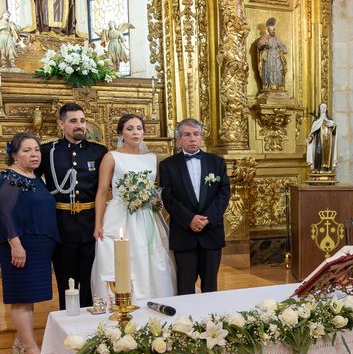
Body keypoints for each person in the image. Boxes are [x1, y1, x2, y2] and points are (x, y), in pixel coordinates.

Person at [91, 114, 176, 302]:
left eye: (139, 128)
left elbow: (157, 190)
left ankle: (157, 298)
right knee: (121, 256)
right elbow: (103, 191)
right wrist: (98, 223)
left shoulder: (153, 158)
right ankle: (120, 301)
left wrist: (151, 201)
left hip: (147, 216)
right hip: (119, 214)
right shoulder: (111, 157)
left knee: (155, 257)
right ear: (121, 133)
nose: (135, 132)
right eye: (129, 128)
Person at [37, 103, 108, 309]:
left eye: (82, 121)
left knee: (89, 279)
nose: (80, 125)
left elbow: (107, 186)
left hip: (91, 223)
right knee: (66, 279)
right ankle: (68, 323)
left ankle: (89, 325)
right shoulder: (47, 151)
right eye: (73, 121)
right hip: (61, 224)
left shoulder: (99, 151)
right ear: (62, 124)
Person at [0, 133, 59, 354]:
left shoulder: (35, 178)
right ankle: (30, 348)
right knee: (22, 299)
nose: (34, 154)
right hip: (20, 245)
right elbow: (4, 215)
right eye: (26, 150)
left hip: (38, 246)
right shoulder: (9, 177)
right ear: (14, 155)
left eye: (36, 150)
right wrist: (15, 245)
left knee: (29, 297)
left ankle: (20, 341)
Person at [159, 118, 230, 295]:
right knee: (185, 285)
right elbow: (168, 197)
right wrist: (189, 219)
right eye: (187, 134)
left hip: (211, 232)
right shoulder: (168, 165)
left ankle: (211, 320)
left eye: (196, 134)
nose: (192, 138)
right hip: (184, 234)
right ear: (179, 139)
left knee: (211, 285)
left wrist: (207, 219)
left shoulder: (217, 162)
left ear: (201, 137)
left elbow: (224, 193)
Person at [306, 103, 337, 172]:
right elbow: (314, 131)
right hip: (319, 140)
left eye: (325, 107)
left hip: (328, 141)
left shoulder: (330, 120)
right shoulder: (316, 121)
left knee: (328, 155)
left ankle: (327, 169)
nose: (323, 108)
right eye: (322, 107)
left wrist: (333, 126)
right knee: (318, 153)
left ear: (326, 109)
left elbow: (334, 133)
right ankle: (318, 169)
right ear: (319, 109)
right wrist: (311, 137)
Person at [257, 17, 287, 90]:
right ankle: (269, 87)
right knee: (269, 72)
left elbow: (283, 47)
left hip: (277, 58)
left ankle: (278, 86)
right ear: (268, 31)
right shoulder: (265, 38)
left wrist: (282, 50)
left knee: (279, 71)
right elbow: (259, 45)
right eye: (271, 30)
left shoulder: (277, 39)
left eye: (274, 30)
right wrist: (265, 45)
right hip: (268, 57)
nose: (273, 31)